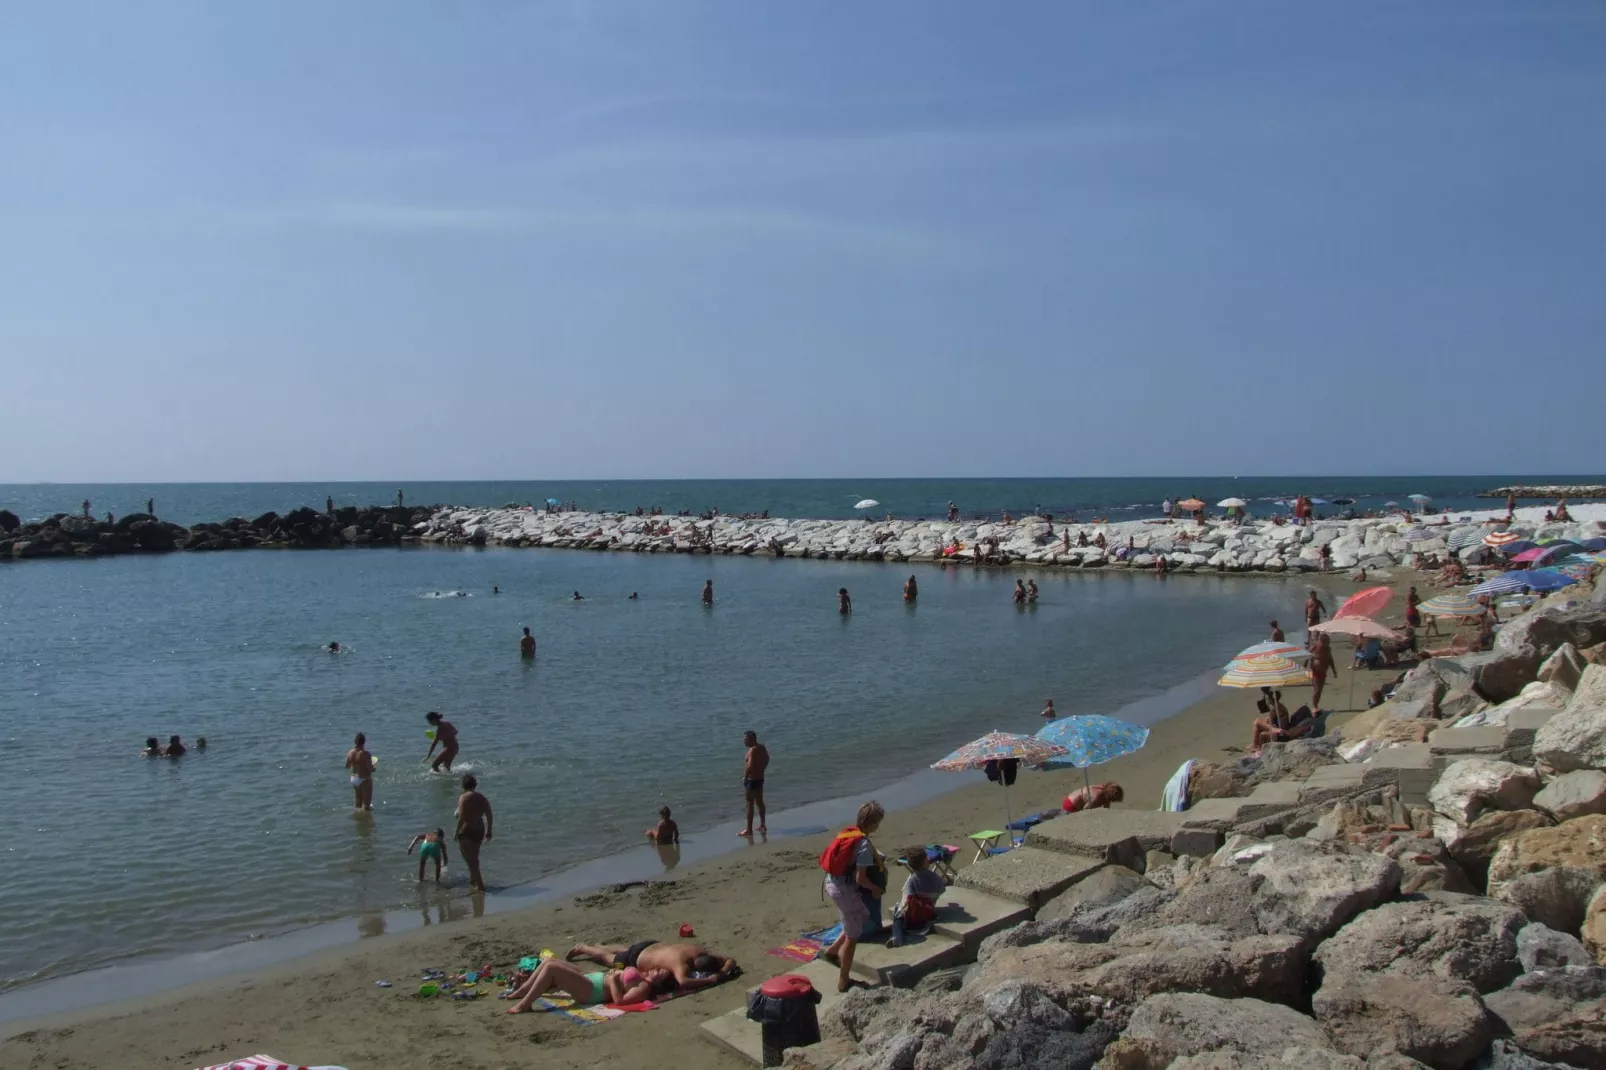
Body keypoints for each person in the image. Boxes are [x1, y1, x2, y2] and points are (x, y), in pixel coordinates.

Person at [819, 801, 886, 992]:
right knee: (853, 935)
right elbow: (860, 879)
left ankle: (832, 951)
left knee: (861, 917)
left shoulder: (847, 832)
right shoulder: (863, 844)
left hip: (831, 882)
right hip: (844, 890)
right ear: (873, 823)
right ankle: (843, 981)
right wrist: (875, 889)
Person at [504, 958, 671, 1013]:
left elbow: (620, 1002)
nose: (658, 970)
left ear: (659, 983)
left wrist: (612, 981)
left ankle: (525, 1004)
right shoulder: (642, 974)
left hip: (592, 991)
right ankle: (523, 990)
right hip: (592, 979)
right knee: (549, 960)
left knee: (551, 968)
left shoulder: (644, 988)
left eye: (661, 973)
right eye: (660, 969)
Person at [565, 941, 738, 992]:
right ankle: (583, 948)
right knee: (609, 959)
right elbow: (684, 982)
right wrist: (712, 979)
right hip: (636, 958)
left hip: (651, 946)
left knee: (625, 950)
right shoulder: (681, 964)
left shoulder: (698, 951)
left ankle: (602, 945)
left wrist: (723, 970)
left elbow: (730, 960)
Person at [887, 847, 946, 948]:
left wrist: (902, 907)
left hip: (914, 916)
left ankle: (897, 936)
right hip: (929, 910)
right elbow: (942, 890)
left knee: (898, 911)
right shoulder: (935, 877)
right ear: (925, 862)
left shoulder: (912, 880)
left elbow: (906, 900)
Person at [455, 773, 492, 893]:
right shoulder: (481, 797)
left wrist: (457, 832)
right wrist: (489, 830)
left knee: (470, 860)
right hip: (479, 830)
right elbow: (489, 814)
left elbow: (461, 818)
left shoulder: (463, 797)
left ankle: (481, 886)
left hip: (467, 830)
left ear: (463, 785)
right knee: (474, 858)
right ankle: (473, 881)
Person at [740, 730, 769, 836]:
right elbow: (767, 759)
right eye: (744, 739)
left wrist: (745, 777)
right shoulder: (762, 747)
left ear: (753, 739)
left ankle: (749, 829)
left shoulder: (752, 750)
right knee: (760, 802)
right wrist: (761, 769)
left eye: (746, 739)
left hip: (752, 780)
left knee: (749, 804)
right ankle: (762, 825)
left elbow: (750, 765)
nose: (744, 741)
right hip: (760, 778)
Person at [345, 732, 375, 811]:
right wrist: (374, 768)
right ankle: (365, 821)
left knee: (358, 804)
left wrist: (357, 764)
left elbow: (347, 766)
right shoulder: (366, 754)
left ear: (355, 741)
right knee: (366, 806)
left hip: (354, 779)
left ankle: (358, 820)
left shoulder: (350, 752)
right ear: (364, 742)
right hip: (364, 779)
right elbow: (370, 769)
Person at [1310, 633, 1338, 709]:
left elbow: (1330, 659)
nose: (1328, 643)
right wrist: (1305, 664)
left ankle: (1316, 705)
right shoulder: (1316, 646)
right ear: (1321, 641)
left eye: (1329, 641)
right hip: (1315, 670)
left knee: (1319, 690)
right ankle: (1314, 706)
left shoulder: (1328, 649)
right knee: (1317, 690)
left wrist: (1334, 670)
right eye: (1326, 641)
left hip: (1323, 672)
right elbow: (1308, 654)